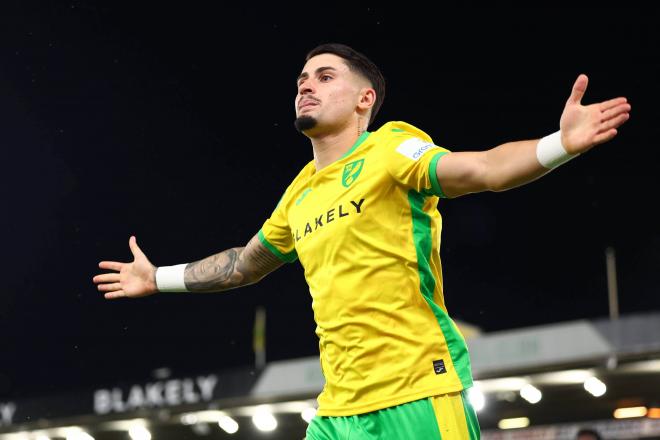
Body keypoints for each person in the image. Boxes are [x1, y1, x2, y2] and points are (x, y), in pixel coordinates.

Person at [93, 43, 630, 439]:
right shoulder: (299, 193)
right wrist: (157, 278)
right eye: (302, 78)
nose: (306, 84)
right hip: (338, 411)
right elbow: (243, 264)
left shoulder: (391, 148)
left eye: (325, 77)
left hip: (419, 389)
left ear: (363, 99)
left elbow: (483, 169)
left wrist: (560, 143)